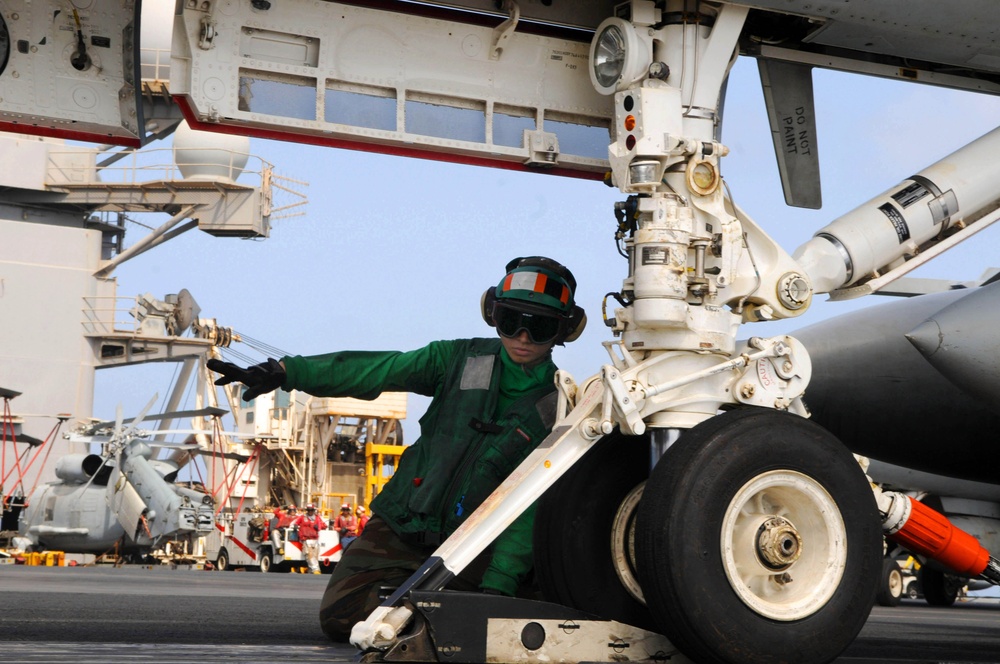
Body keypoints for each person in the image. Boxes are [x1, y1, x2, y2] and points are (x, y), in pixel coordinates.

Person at [208, 256, 586, 642]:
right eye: (512, 321)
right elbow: (378, 369)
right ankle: (428, 603)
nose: (522, 337)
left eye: (538, 327)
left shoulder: (559, 410)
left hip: (476, 541)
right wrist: (288, 373)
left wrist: (498, 584)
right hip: (403, 524)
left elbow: (529, 507)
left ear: (563, 331)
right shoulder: (455, 360)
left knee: (492, 621)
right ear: (493, 313)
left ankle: (441, 603)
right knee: (341, 618)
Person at [292, 503, 326, 574]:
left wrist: (318, 527)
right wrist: (295, 526)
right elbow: (296, 523)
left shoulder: (317, 518)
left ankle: (311, 571)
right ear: (307, 510)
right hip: (306, 538)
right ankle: (316, 569)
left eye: (311, 510)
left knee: (314, 555)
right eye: (309, 510)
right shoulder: (302, 517)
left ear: (314, 510)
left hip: (315, 539)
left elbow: (323, 525)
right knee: (309, 554)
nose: (310, 512)